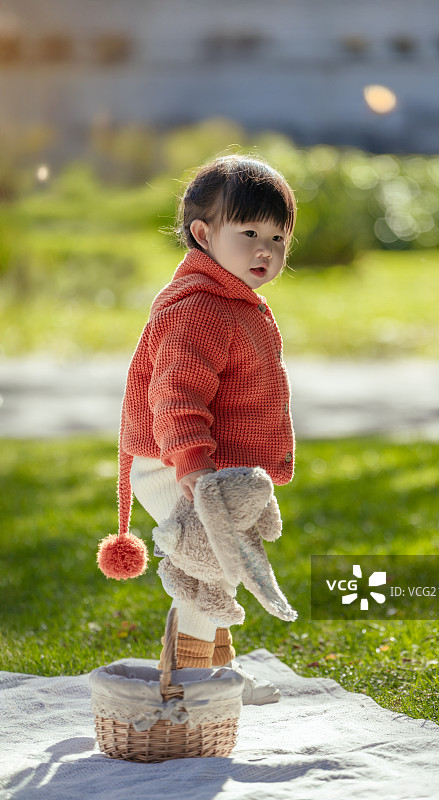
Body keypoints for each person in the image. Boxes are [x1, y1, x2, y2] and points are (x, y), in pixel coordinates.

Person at [116, 154, 297, 704]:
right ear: (203, 234)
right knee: (208, 566)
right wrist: (194, 466)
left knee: (222, 566)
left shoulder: (233, 302)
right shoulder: (199, 310)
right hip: (175, 461)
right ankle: (190, 683)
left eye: (278, 236)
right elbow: (175, 397)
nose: (265, 248)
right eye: (248, 232)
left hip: (208, 465)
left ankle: (216, 677)